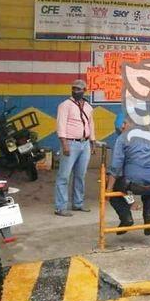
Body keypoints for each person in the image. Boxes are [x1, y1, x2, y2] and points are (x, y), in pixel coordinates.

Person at [106, 119, 150, 236]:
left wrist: (108, 189)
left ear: (132, 123)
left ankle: (126, 217)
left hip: (133, 184)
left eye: (125, 123)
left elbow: (116, 166)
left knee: (115, 189)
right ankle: (148, 214)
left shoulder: (122, 138)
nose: (122, 126)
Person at [54, 79, 96, 217]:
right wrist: (64, 143)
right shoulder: (65, 105)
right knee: (64, 176)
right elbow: (61, 125)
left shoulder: (88, 107)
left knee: (80, 175)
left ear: (84, 90)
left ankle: (78, 204)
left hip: (84, 144)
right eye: (74, 89)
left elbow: (91, 125)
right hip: (70, 143)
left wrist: (92, 142)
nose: (75, 91)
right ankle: (60, 207)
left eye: (78, 89)